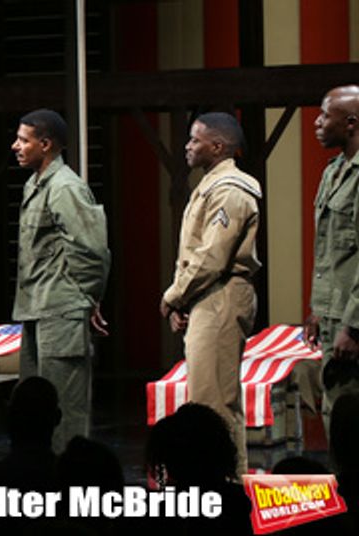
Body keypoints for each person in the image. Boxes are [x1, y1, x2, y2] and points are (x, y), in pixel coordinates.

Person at [161, 112, 261, 477]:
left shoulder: (231, 189)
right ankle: (217, 483)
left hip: (221, 295)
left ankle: (227, 488)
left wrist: (174, 295)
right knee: (206, 397)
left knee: (215, 402)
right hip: (207, 296)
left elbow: (212, 256)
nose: (187, 146)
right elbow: (192, 251)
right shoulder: (210, 186)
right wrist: (184, 300)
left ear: (217, 146)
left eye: (194, 140)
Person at [10, 109, 110, 451]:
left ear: (46, 144)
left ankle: (69, 489)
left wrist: (87, 298)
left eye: (24, 140)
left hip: (61, 312)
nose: (16, 146)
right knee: (36, 408)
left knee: (64, 411)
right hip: (37, 310)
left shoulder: (65, 187)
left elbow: (92, 250)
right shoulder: (36, 185)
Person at [304, 85, 359, 435]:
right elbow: (330, 252)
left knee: (349, 422)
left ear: (351, 123)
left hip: (350, 324)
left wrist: (354, 326)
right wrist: (318, 311)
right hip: (333, 315)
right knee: (334, 415)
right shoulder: (334, 170)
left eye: (326, 115)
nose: (317, 122)